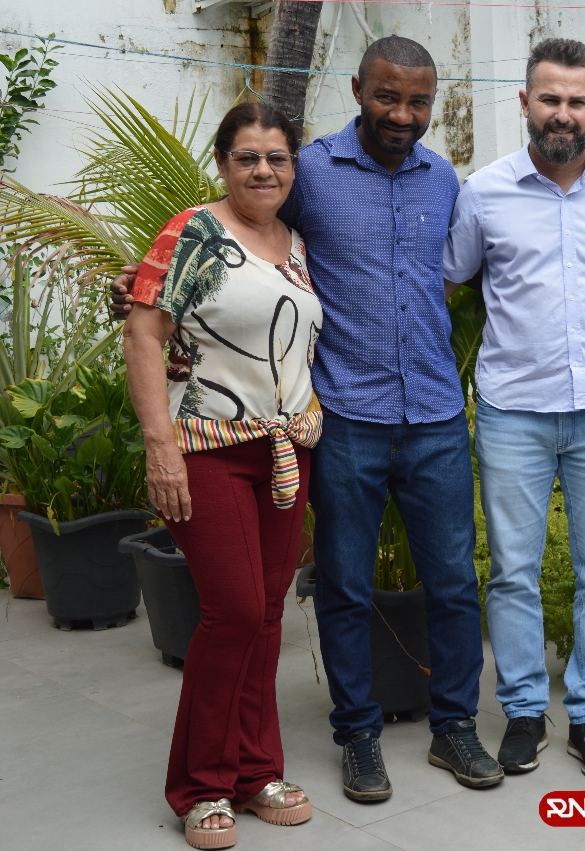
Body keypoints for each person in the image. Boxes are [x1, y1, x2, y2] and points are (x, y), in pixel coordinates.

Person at [113, 36, 501, 800]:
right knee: (344, 584)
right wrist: (147, 285)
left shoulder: (442, 178)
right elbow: (241, 235)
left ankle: (454, 725)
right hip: (346, 417)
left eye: (418, 101)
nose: (402, 113)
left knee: (456, 582)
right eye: (387, 96)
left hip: (432, 414)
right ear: (357, 88)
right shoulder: (309, 170)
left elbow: (445, 277)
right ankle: (357, 734)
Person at [442, 38, 585, 779]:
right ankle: (525, 712)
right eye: (550, 98)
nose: (563, 113)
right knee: (511, 573)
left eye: (577, 101)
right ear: (525, 101)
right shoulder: (483, 192)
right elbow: (451, 280)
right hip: (512, 413)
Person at [122, 101, 319, 849]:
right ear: (223, 163)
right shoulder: (193, 232)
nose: (263, 170)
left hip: (285, 450)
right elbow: (144, 332)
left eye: (277, 157)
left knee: (266, 612)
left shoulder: (296, 244)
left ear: (293, 167)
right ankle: (201, 784)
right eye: (247, 157)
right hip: (206, 448)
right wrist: (159, 446)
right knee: (233, 610)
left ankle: (257, 770)